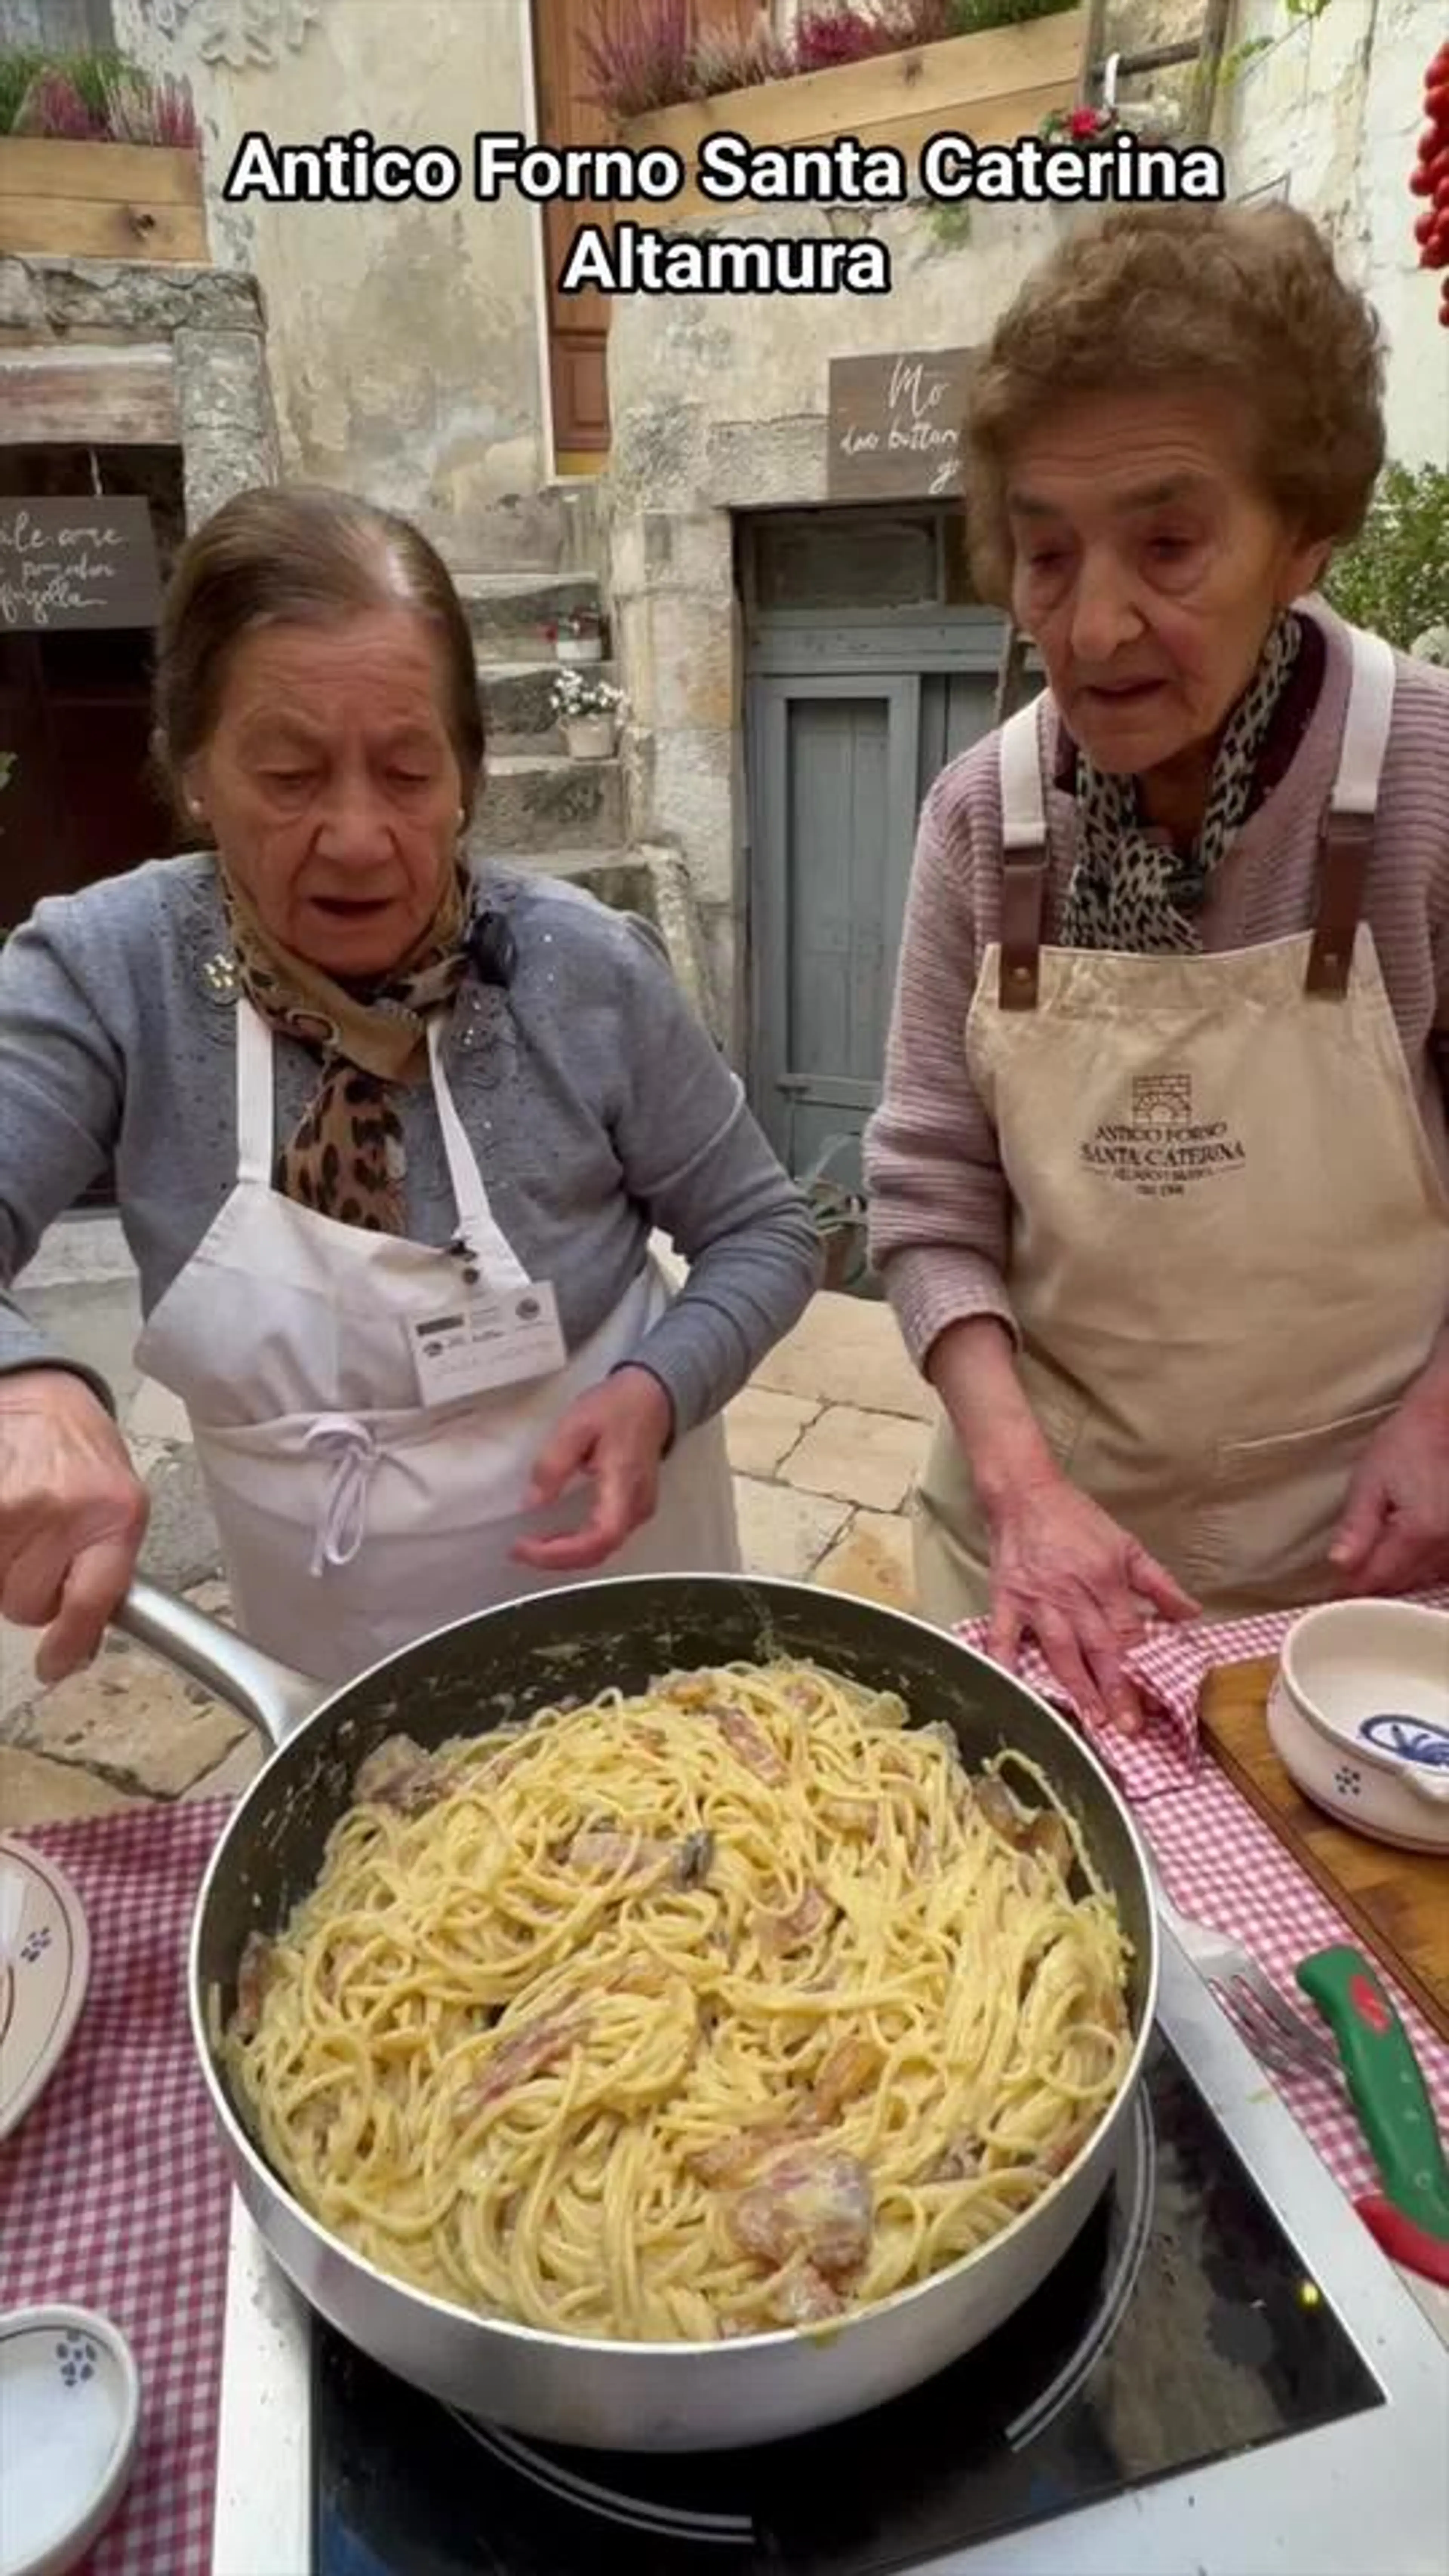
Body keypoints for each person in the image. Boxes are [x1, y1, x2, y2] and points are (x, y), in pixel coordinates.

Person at [0, 486, 821, 1688]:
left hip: (621, 1570)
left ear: (467, 777)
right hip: (331, 1626)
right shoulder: (104, 974)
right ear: (192, 774)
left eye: (406, 772)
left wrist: (660, 1386)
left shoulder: (581, 969)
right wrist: (26, 1388)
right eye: (287, 774)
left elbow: (765, 1228)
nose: (358, 837)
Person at [864, 202, 1449, 1732]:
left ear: (1306, 531)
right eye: (1046, 552)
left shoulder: (1433, 787)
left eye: (1171, 543)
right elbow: (928, 1197)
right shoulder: (980, 823)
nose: (1096, 621)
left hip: (1368, 1565)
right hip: (1042, 1552)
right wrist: (1022, 1484)